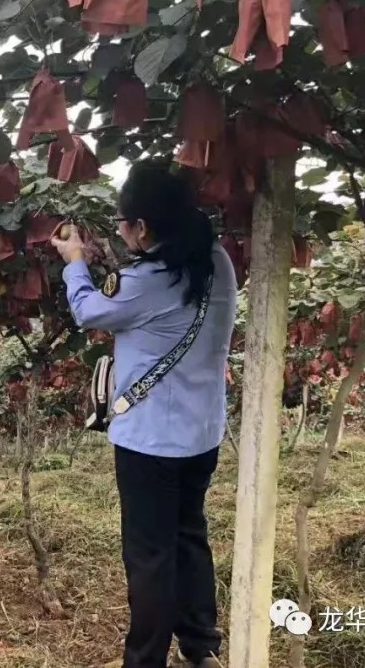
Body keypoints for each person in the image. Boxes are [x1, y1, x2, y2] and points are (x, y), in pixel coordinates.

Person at [50, 160, 237, 668]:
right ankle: (201, 650)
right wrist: (107, 253)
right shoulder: (215, 260)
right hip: (202, 434)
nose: (121, 231)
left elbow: (90, 311)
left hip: (150, 442)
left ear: (144, 227)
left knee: (150, 557)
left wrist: (73, 261)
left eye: (123, 223)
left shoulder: (152, 279)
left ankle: (145, 659)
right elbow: (144, 285)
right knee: (189, 537)